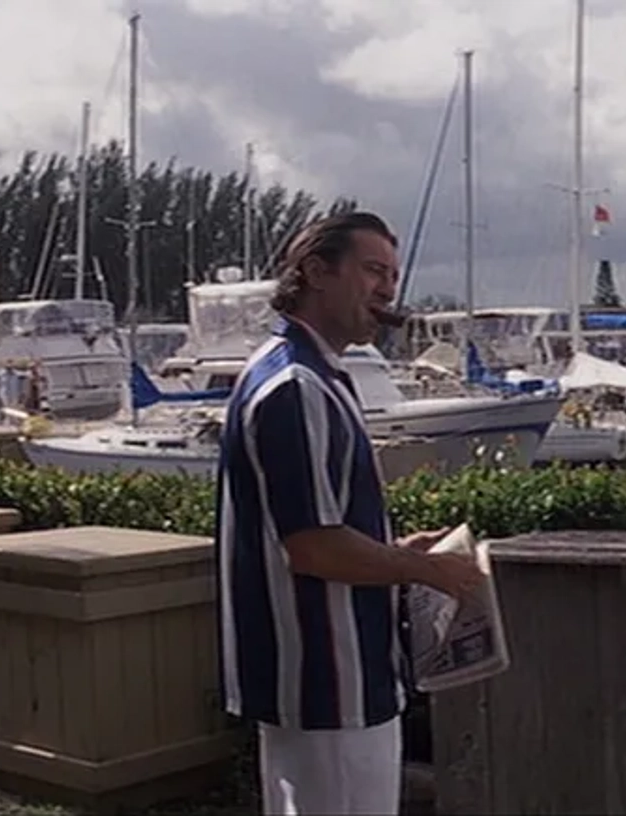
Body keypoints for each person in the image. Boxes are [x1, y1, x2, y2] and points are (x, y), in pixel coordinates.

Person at [214, 211, 484, 816]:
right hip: (328, 680)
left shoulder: (306, 374)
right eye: (372, 271)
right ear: (315, 272)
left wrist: (396, 550)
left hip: (325, 680)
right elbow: (314, 548)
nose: (388, 289)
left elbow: (321, 527)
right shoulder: (297, 387)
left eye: (392, 274)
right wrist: (426, 571)